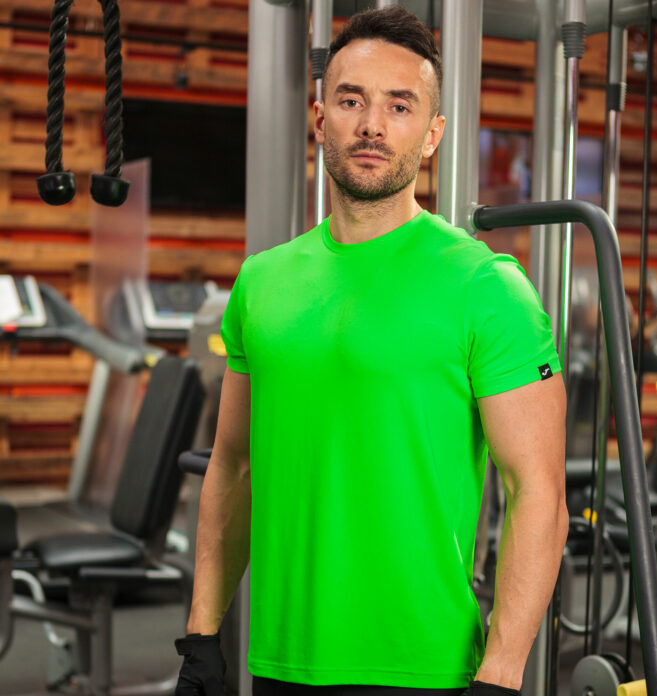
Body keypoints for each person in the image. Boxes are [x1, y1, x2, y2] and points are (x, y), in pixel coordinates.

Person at [175, 7, 569, 696]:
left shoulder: (485, 286)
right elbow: (233, 465)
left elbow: (539, 494)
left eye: (400, 105)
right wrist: (203, 634)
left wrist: (502, 677)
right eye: (352, 101)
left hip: (426, 669)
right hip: (278, 661)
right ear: (320, 115)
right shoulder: (262, 282)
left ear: (432, 134)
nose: (372, 126)